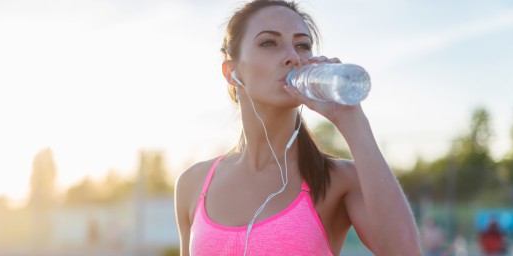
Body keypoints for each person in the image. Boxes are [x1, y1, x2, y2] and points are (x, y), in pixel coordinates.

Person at [174, 0, 420, 255]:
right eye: (269, 42)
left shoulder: (339, 179)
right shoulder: (193, 183)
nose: (293, 56)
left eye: (302, 45)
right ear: (231, 72)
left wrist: (352, 119)